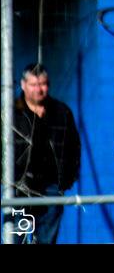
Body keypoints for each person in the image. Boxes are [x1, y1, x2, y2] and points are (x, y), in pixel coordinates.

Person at [9, 63, 81, 244]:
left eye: (43, 84)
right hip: (19, 186)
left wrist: (66, 180)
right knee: (16, 236)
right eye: (34, 85)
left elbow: (74, 148)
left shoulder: (61, 112)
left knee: (47, 238)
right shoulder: (11, 113)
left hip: (51, 187)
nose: (39, 90)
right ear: (23, 85)